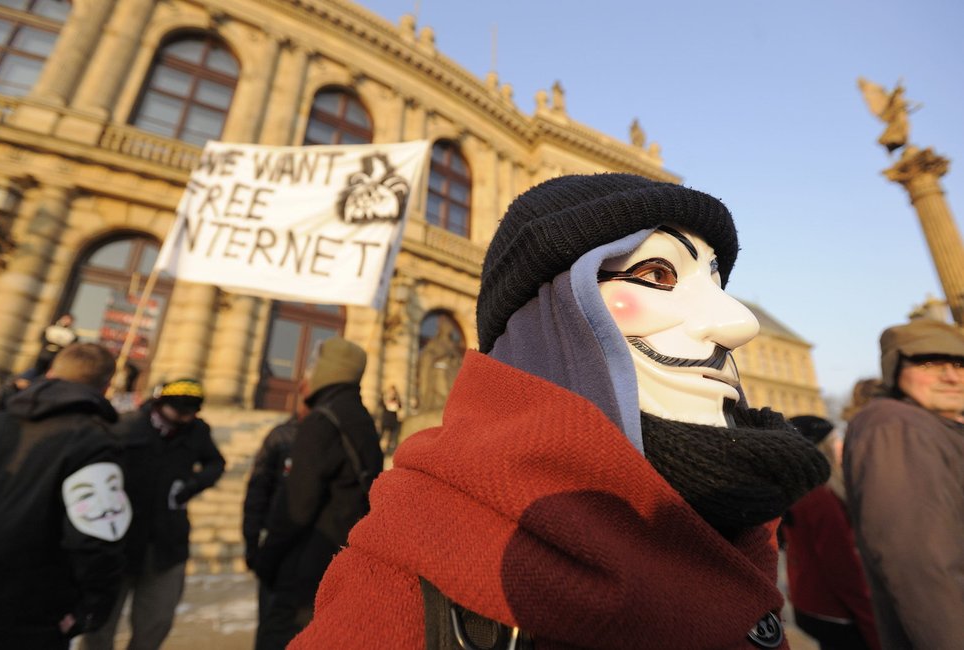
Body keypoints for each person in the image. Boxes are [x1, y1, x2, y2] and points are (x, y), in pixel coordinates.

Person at [290, 173, 829, 649]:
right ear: (547, 323)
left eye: (714, 282)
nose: (738, 322)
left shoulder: (746, 515)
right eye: (659, 274)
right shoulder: (410, 568)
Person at [0, 343, 130, 649]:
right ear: (106, 387)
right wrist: (93, 606)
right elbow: (96, 535)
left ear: (50, 373)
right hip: (28, 612)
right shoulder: (96, 442)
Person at [253, 337, 383, 649]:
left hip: (302, 572)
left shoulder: (321, 421)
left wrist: (266, 560)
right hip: (338, 564)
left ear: (327, 369)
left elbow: (297, 506)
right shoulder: (362, 419)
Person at [843, 319, 964, 650]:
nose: (952, 376)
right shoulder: (897, 427)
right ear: (895, 368)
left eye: (959, 363)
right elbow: (922, 567)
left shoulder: (931, 425)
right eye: (929, 363)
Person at [80, 378, 225, 650]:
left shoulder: (197, 431)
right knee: (99, 623)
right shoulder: (126, 426)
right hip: (119, 541)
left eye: (192, 411)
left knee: (156, 620)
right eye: (179, 410)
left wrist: (192, 485)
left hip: (166, 544)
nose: (185, 417)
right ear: (161, 404)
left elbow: (215, 463)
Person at [781, 415, 880, 650]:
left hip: (809, 601)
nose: (839, 446)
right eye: (833, 440)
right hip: (834, 609)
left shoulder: (797, 487)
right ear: (821, 448)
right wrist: (872, 624)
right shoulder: (820, 497)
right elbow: (842, 567)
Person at [243, 406, 304, 642]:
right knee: (271, 626)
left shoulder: (329, 437)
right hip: (276, 547)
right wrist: (252, 542)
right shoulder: (281, 436)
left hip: (305, 553)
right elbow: (258, 491)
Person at [32, 313, 78, 377]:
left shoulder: (72, 335)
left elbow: (71, 346)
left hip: (57, 357)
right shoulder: (50, 329)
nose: (67, 321)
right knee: (37, 371)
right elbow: (42, 339)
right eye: (65, 319)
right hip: (44, 355)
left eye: (69, 320)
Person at [379, 384, 402, 454]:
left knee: (391, 437)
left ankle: (388, 449)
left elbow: (400, 406)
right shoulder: (385, 399)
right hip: (386, 420)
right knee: (385, 435)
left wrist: (397, 398)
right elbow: (381, 404)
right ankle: (382, 449)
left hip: (392, 420)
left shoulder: (396, 399)